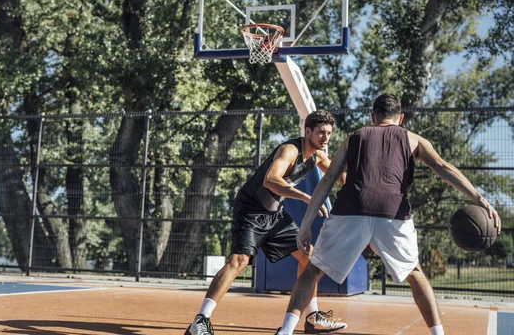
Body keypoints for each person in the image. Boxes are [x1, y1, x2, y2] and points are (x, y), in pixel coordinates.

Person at [274, 94, 502, 335]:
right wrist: (479, 198)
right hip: (393, 212)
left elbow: (329, 178)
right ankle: (439, 334)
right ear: (400, 118)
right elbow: (443, 167)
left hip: (350, 210)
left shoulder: (354, 137)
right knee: (415, 273)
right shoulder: (413, 139)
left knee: (312, 271)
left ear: (373, 117)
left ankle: (286, 331)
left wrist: (306, 223)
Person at [186, 110, 348, 335]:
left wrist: (357, 191)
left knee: (309, 258)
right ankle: (200, 320)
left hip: (275, 215)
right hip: (251, 210)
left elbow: (340, 176)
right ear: (307, 131)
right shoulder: (290, 150)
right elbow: (271, 180)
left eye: (329, 133)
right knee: (239, 260)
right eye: (321, 132)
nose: (326, 138)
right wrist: (305, 197)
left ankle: (312, 317)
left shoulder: (318, 156)